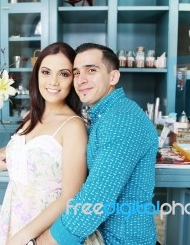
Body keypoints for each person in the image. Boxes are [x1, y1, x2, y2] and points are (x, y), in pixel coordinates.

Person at [37, 43, 159, 244]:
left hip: (120, 240)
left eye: (91, 70)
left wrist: (45, 241)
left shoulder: (122, 120)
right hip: (101, 235)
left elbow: (95, 200)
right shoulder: (103, 115)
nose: (81, 79)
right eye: (76, 73)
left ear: (113, 77)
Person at [0, 42, 88, 245]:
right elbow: (30, 150)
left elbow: (70, 196)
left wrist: (23, 238)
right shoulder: (30, 116)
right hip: (14, 217)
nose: (53, 81)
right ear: (37, 75)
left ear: (73, 79)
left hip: (45, 230)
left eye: (64, 74)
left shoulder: (73, 126)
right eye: (46, 72)